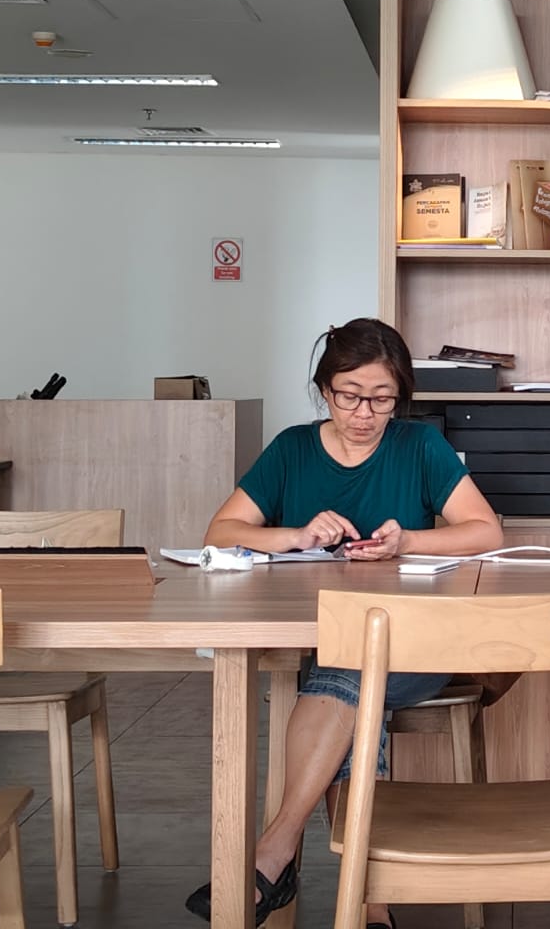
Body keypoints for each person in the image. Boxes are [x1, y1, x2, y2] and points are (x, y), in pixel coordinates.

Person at [184, 317, 501, 929]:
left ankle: (275, 852)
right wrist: (296, 535)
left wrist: (408, 541)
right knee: (352, 680)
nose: (364, 413)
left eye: (382, 399)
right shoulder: (292, 449)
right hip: (329, 643)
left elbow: (486, 531)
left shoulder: (418, 446)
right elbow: (219, 532)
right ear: (324, 389)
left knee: (350, 672)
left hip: (415, 645)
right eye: (349, 396)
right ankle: (368, 903)